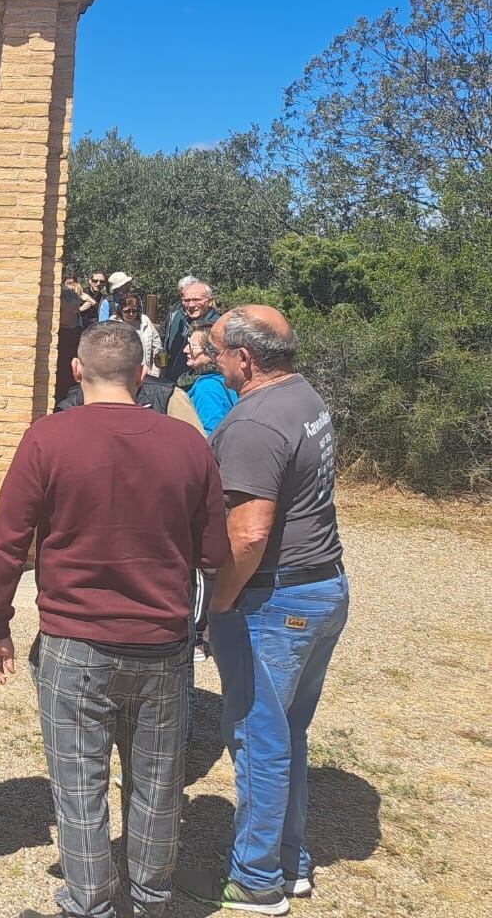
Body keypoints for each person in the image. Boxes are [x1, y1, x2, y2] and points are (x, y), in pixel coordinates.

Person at [0, 322, 229, 918]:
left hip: (74, 640)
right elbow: (214, 552)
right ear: (143, 376)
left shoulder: (47, 439)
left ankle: (88, 900)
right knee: (157, 782)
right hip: (161, 640)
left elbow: (7, 542)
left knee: (78, 781)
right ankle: (149, 898)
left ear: (76, 371)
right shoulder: (187, 444)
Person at [176, 307, 348, 915]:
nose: (211, 358)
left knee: (257, 735)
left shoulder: (253, 424)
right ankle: (290, 863)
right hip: (321, 587)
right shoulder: (304, 397)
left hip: (275, 600)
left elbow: (249, 534)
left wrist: (218, 603)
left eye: (218, 350)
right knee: (286, 732)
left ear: (245, 359)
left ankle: (255, 880)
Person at [56, 365, 206, 433]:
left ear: (76, 370)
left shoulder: (168, 396)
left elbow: (196, 451)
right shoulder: (70, 405)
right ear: (142, 372)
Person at [162, 279, 221, 382]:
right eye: (186, 300)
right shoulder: (181, 319)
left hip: (202, 385)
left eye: (196, 299)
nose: (191, 305)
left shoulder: (217, 327)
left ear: (210, 301)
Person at [182, 327, 238, 436]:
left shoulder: (207, 388)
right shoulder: (225, 377)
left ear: (210, 351)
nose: (185, 350)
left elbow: (210, 434)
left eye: (191, 346)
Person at [118, 291, 163, 378]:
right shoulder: (113, 325)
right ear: (120, 310)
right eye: (127, 311)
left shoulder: (145, 321)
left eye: (134, 311)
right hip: (122, 376)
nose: (131, 314)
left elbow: (157, 347)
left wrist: (155, 372)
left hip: (146, 373)